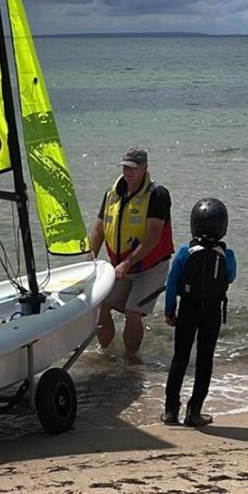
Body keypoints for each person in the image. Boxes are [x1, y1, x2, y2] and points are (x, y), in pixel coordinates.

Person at [89, 146, 174, 360]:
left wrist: (128, 261)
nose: (128, 172)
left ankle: (130, 361)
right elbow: (99, 230)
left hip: (151, 267)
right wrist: (89, 259)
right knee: (101, 305)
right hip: (122, 266)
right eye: (125, 167)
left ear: (145, 168)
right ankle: (105, 355)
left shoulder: (157, 194)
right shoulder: (111, 194)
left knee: (132, 313)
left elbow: (153, 235)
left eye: (133, 168)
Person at [162, 197, 237, 427]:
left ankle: (170, 411)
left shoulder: (185, 252)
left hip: (188, 309)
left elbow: (172, 283)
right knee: (205, 360)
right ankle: (194, 412)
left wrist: (169, 310)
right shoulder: (227, 255)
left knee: (180, 359)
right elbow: (230, 277)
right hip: (211, 312)